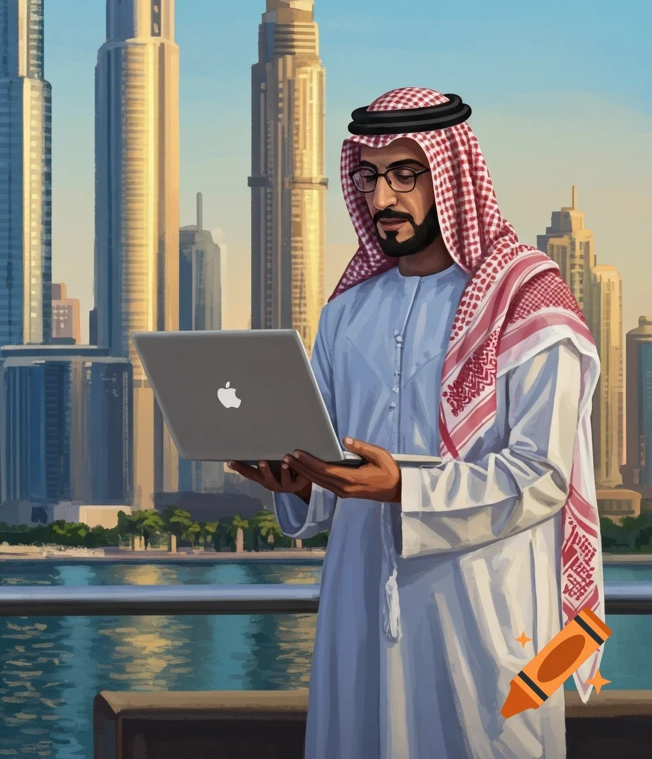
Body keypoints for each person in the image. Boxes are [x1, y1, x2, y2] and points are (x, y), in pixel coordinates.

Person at [230, 87, 604, 759]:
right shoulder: (347, 312)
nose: (382, 199)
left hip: (485, 612)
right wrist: (297, 483)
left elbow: (543, 476)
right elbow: (328, 452)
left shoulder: (527, 304)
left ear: (454, 177)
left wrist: (407, 486)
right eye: (370, 177)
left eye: (407, 175)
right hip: (359, 600)